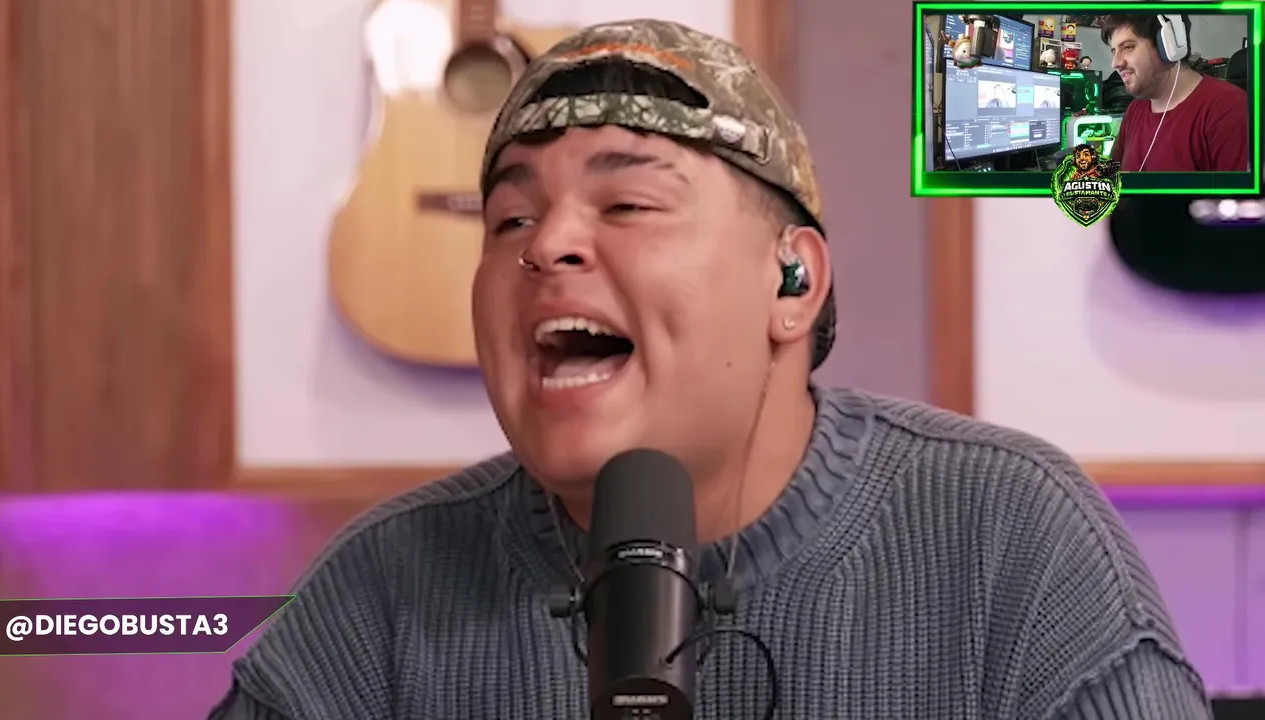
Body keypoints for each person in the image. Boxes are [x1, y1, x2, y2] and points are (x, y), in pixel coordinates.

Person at [209, 19, 1212, 719]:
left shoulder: (1009, 537)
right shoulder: (382, 591)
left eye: (626, 206)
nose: (545, 245)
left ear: (791, 280)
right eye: (508, 218)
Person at [1105, 13, 1250, 172]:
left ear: (1168, 46)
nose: (1115, 63)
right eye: (1113, 51)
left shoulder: (1229, 108)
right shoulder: (1135, 109)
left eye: (1127, 47)